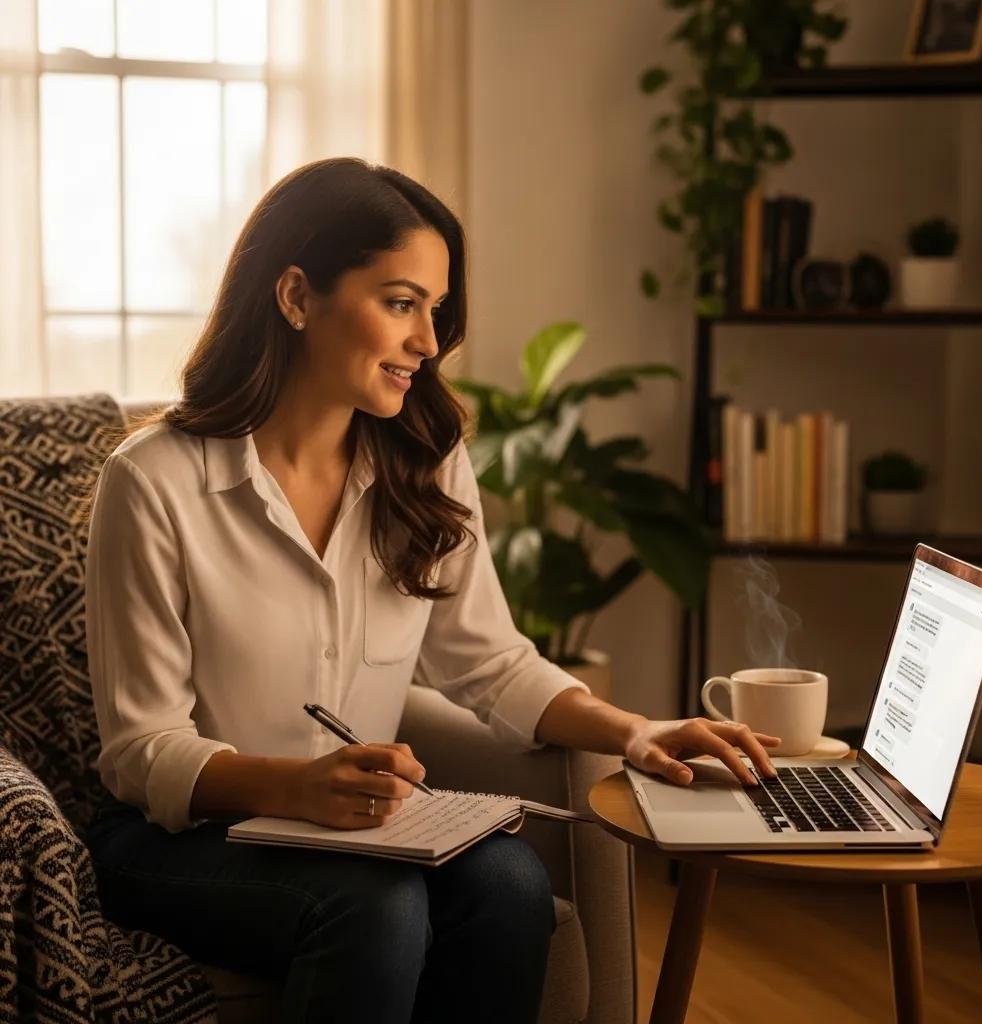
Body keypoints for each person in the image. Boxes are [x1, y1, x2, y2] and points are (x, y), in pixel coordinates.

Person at [82, 156, 780, 1024]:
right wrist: (295, 788)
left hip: (348, 835)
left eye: (436, 311)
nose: (428, 342)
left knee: (511, 886)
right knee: (376, 907)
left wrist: (635, 730)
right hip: (179, 843)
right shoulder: (151, 481)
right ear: (297, 296)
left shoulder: (423, 461)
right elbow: (139, 746)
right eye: (401, 303)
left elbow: (488, 659)